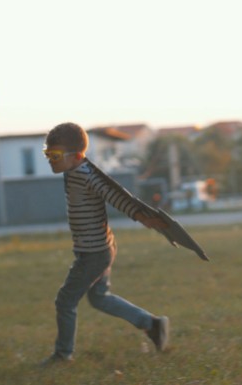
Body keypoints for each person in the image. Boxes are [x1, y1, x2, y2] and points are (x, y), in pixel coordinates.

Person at [41, 122, 170, 365]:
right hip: (96, 248)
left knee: (65, 300)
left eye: (55, 155)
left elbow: (113, 194)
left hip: (95, 253)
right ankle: (152, 324)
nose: (50, 160)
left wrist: (142, 217)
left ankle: (62, 354)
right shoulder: (73, 172)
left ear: (77, 155)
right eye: (47, 154)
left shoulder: (85, 175)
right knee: (99, 297)